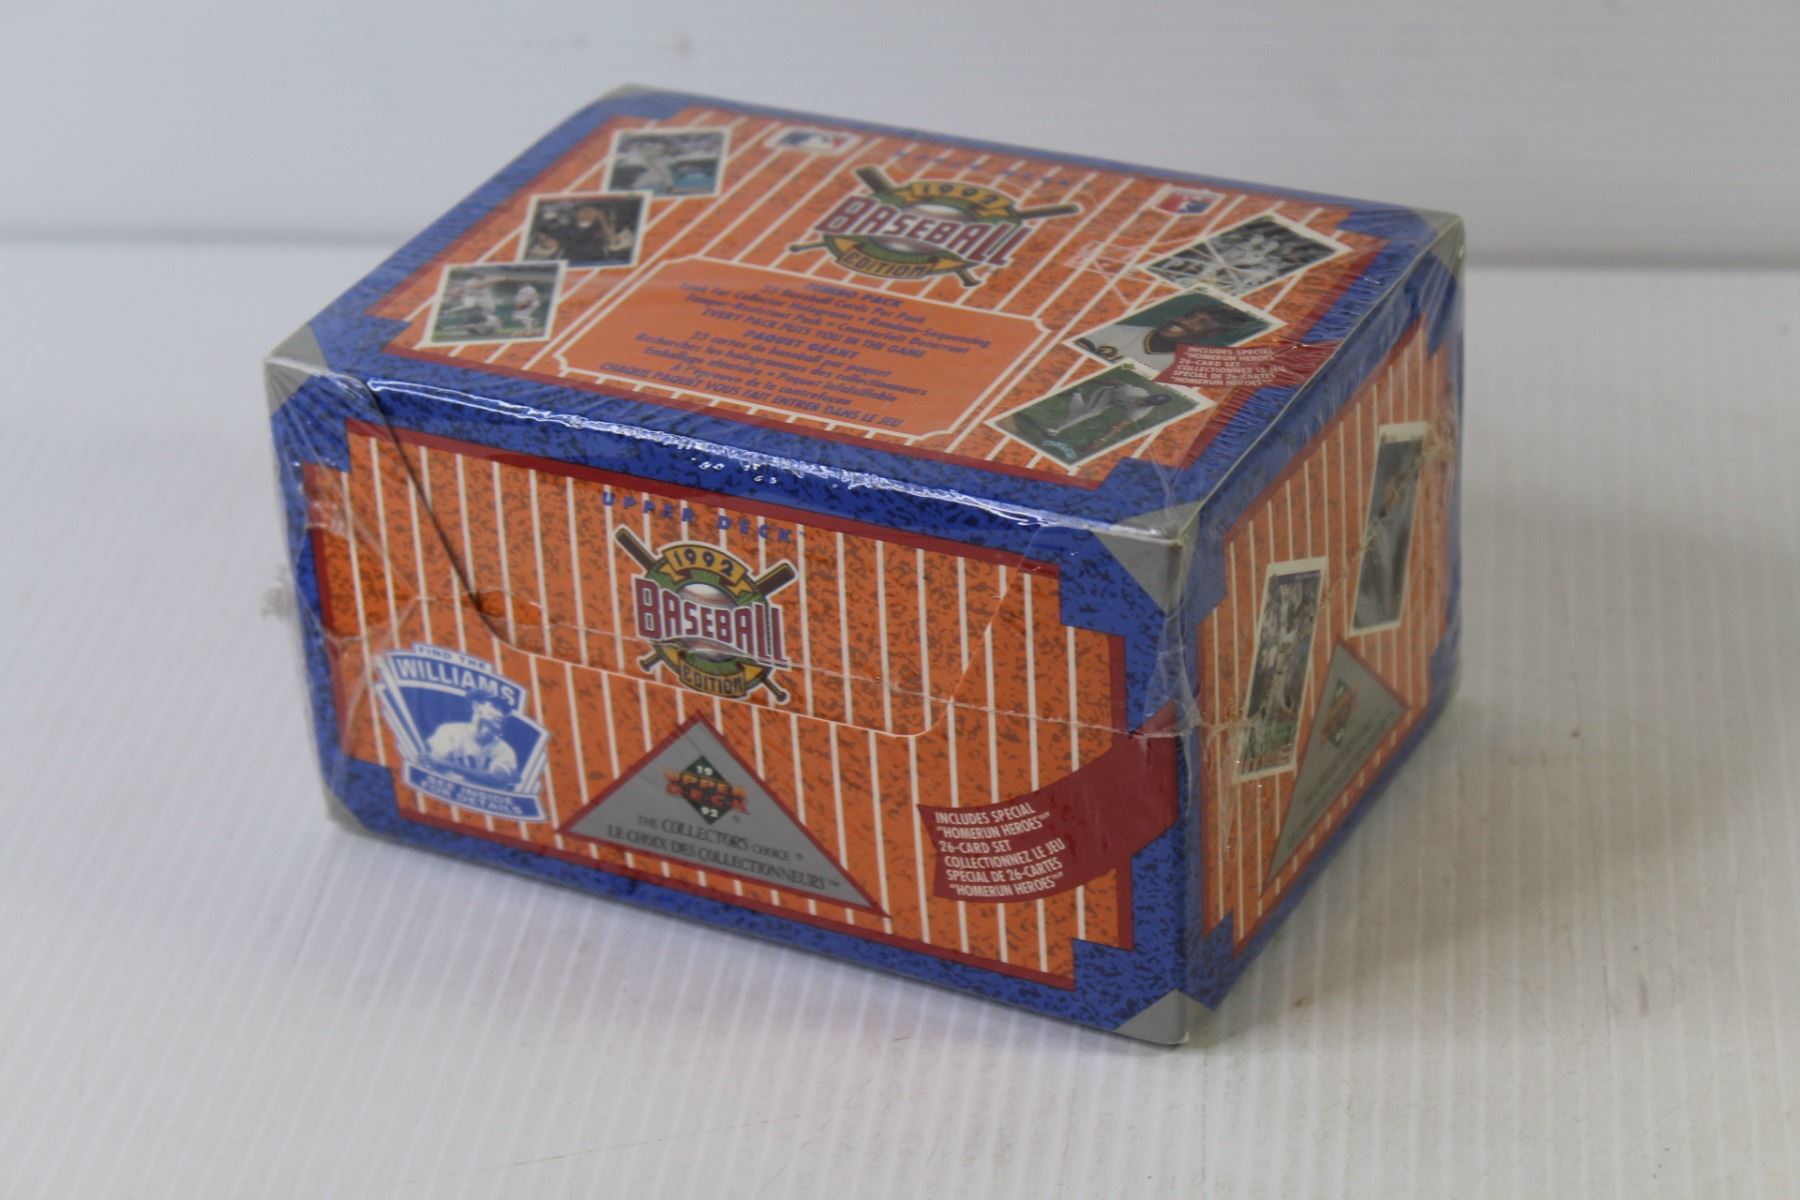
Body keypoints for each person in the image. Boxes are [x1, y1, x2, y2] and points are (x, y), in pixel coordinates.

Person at [426, 693, 518, 783]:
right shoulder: (450, 732)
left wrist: (449, 765)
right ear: (476, 706)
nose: (502, 715)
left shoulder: (505, 750)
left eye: (504, 710)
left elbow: (496, 780)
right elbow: (432, 764)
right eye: (496, 707)